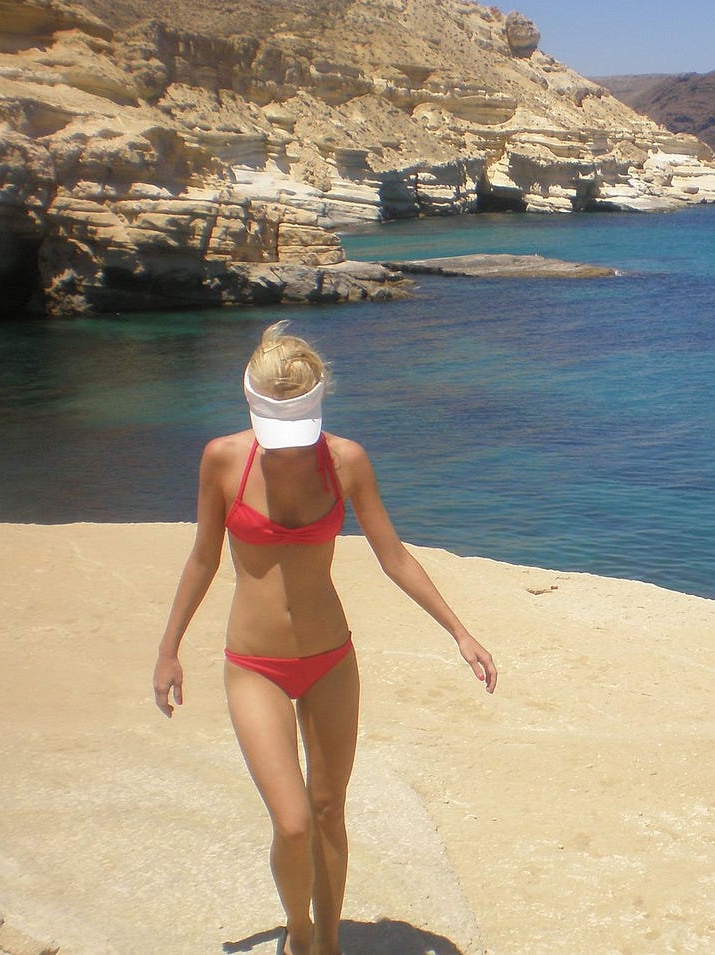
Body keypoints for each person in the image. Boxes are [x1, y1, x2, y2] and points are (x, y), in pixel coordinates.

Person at [153, 321, 496, 955]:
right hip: (254, 664)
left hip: (330, 658)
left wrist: (460, 632)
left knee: (328, 807)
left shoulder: (346, 461)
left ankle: (329, 943)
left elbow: (392, 555)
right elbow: (203, 557)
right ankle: (300, 931)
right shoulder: (222, 459)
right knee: (291, 823)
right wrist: (169, 648)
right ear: (251, 404)